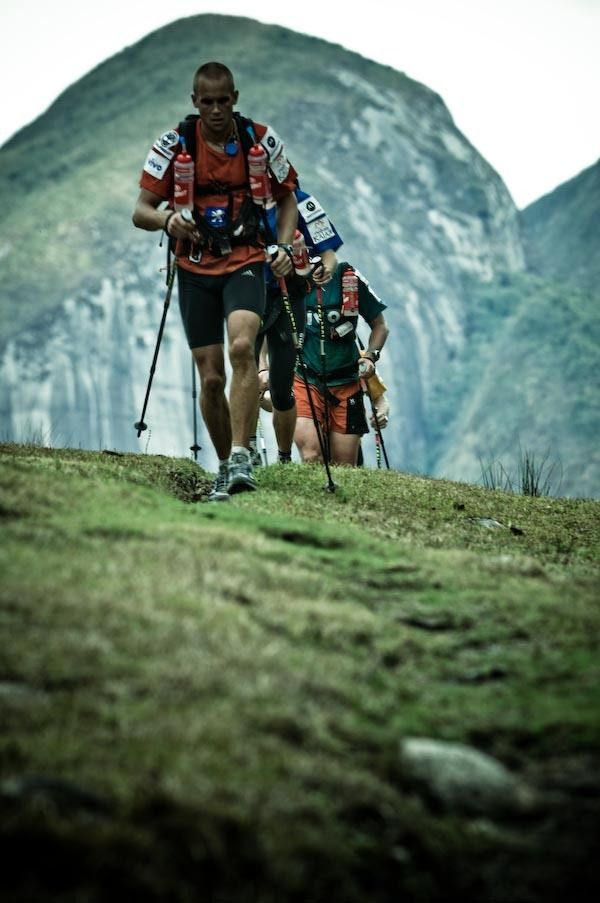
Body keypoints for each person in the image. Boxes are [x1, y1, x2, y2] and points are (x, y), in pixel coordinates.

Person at [132, 61, 298, 500]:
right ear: (195, 102)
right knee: (209, 378)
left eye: (224, 100)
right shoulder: (173, 146)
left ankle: (243, 455)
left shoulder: (260, 141)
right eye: (208, 102)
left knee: (243, 347)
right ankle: (226, 465)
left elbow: (288, 200)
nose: (217, 110)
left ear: (235, 98)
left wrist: (281, 248)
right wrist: (168, 220)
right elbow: (141, 210)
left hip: (246, 259)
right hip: (193, 270)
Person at [254, 186, 343, 464]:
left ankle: (283, 456)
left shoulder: (305, 203)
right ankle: (244, 450)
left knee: (282, 387)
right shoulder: (242, 194)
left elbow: (329, 253)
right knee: (244, 368)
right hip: (249, 291)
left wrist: (324, 269)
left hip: (290, 296)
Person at [293, 262, 389, 466]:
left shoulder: (348, 278)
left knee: (344, 466)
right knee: (311, 454)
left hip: (347, 383)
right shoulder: (290, 278)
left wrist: (370, 357)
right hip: (305, 379)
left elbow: (380, 326)